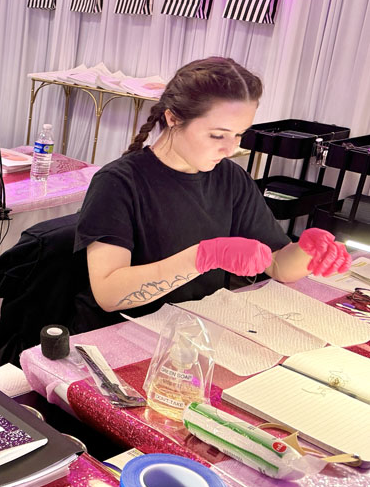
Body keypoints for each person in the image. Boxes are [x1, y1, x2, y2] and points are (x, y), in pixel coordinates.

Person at [73, 57, 351, 332]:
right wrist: (204, 256)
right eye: (218, 135)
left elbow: (278, 264)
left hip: (195, 331)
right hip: (120, 335)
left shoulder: (230, 178)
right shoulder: (118, 183)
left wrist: (308, 251)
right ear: (173, 118)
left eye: (239, 135)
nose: (230, 149)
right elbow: (108, 294)